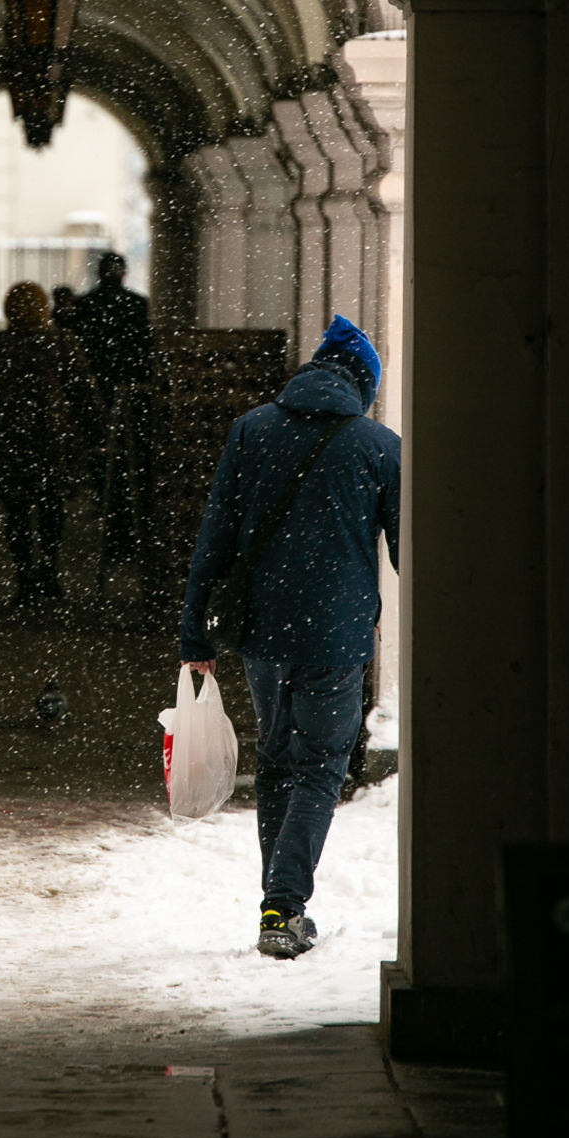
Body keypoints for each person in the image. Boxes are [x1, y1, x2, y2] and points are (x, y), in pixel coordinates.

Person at [179, 314, 400, 960]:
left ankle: (277, 899)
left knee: (278, 759)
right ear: (363, 384)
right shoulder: (379, 446)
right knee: (321, 767)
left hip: (263, 634)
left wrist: (196, 634)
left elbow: (213, 541)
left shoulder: (251, 432)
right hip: (336, 637)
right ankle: (283, 906)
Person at [0, 282, 104, 607]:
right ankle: (50, 572)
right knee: (51, 507)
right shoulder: (61, 343)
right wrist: (95, 430)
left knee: (16, 511)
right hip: (51, 439)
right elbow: (83, 392)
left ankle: (24, 577)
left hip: (10, 439)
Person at [73, 252, 151, 404]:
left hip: (96, 369)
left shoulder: (86, 303)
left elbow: (81, 339)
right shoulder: (137, 303)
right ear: (124, 273)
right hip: (128, 370)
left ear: (99, 273)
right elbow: (143, 339)